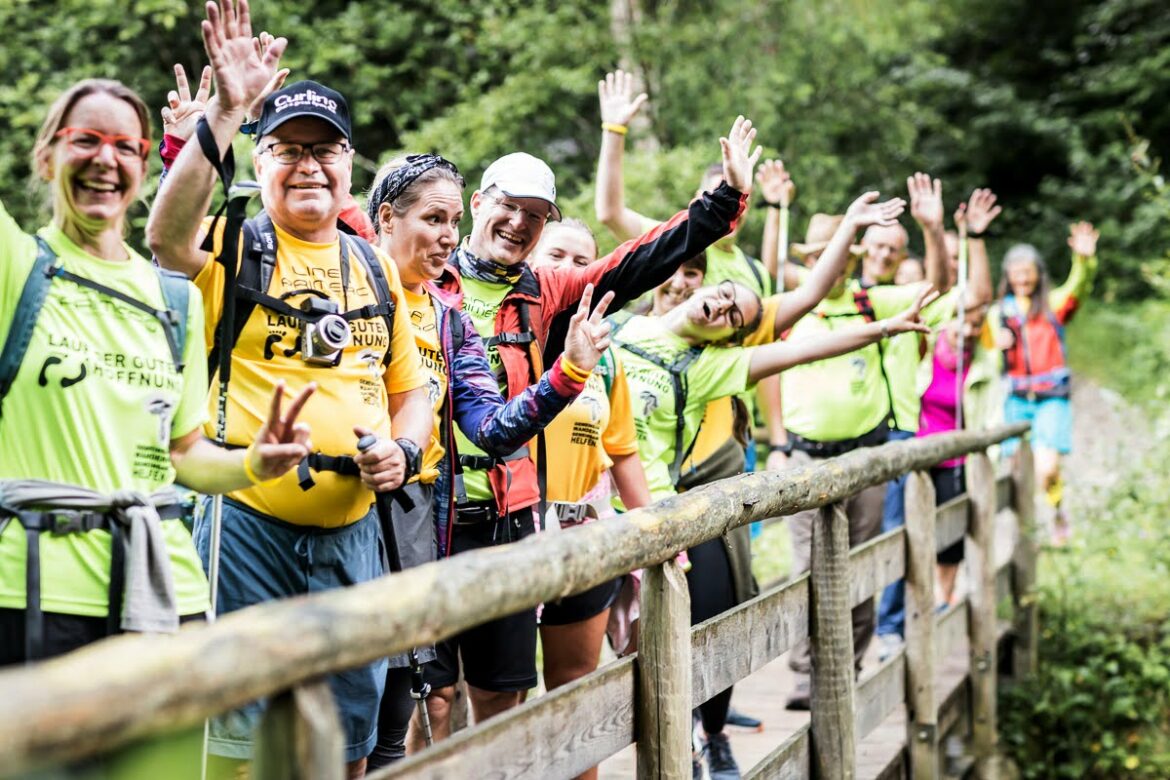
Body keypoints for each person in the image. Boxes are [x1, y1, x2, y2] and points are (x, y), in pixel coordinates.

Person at [147, 3, 431, 775]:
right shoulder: (233, 243)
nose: (308, 165)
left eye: (325, 150)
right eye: (287, 150)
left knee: (345, 734)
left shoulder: (373, 266)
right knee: (238, 739)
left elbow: (414, 391)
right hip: (245, 527)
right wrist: (228, 114)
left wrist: (404, 450)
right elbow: (166, 239)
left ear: (350, 166)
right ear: (261, 161)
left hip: (354, 536)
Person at [421, 111, 759, 732]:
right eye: (508, 206)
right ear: (477, 203)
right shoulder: (420, 269)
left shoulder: (547, 291)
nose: (519, 222)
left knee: (501, 700)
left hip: (506, 515)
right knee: (432, 698)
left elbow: (639, 261)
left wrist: (723, 202)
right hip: (421, 511)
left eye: (536, 214)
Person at [0, 76, 312, 667]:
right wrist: (225, 111)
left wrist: (253, 463)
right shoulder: (16, 267)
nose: (105, 159)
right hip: (34, 589)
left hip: (167, 596)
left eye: (125, 147)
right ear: (46, 158)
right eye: (85, 140)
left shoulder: (176, 300)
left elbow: (184, 455)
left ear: (144, 166)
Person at [613, 269, 935, 780]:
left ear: (732, 338)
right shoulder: (618, 328)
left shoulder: (708, 366)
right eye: (721, 295)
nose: (719, 307)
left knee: (712, 619)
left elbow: (802, 350)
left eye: (732, 314)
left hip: (671, 510)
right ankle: (674, 750)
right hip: (595, 512)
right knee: (616, 662)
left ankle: (701, 743)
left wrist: (883, 329)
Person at [361, 154, 615, 765]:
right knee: (408, 705)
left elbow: (495, 428)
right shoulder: (348, 287)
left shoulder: (450, 324)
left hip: (471, 521)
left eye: (451, 221)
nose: (447, 235)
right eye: (435, 219)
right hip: (373, 528)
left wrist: (571, 371)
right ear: (386, 219)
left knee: (487, 695)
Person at [527, 219, 652, 780]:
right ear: (531, 258)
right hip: (512, 529)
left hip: (584, 533)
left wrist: (654, 536)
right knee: (480, 693)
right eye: (558, 256)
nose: (572, 272)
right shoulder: (504, 336)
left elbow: (621, 450)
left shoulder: (609, 357)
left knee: (573, 689)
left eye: (585, 262)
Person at [872, 185, 1000, 655]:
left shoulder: (970, 339)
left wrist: (975, 240)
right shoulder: (927, 324)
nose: (967, 318)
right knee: (893, 534)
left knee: (936, 539)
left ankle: (927, 614)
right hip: (909, 444)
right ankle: (894, 622)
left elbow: (977, 295)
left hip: (947, 454)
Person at [992, 221, 1099, 544]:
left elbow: (1079, 286)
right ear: (1008, 276)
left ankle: (1056, 511)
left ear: (1038, 273)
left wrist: (1084, 260)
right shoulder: (999, 311)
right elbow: (978, 346)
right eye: (1016, 273)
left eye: (1028, 272)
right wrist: (991, 342)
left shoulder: (1053, 304)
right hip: (1016, 398)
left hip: (1051, 396)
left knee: (1046, 468)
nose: (1022, 279)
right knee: (1014, 470)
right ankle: (1024, 532)